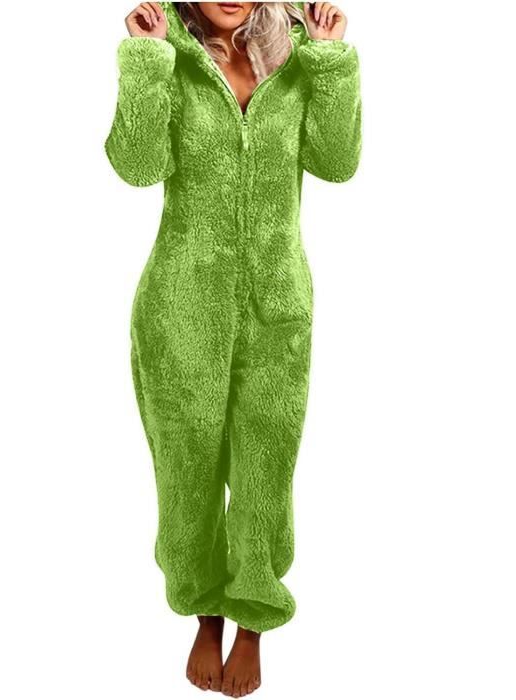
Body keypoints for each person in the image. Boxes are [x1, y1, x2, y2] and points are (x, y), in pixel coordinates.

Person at [104, 1, 361, 695]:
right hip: (181, 305)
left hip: (278, 307)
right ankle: (204, 611)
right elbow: (137, 166)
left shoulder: (298, 55)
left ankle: (251, 619)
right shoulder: (172, 54)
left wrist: (330, 61)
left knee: (264, 472)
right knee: (186, 474)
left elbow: (337, 164)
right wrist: (149, 61)